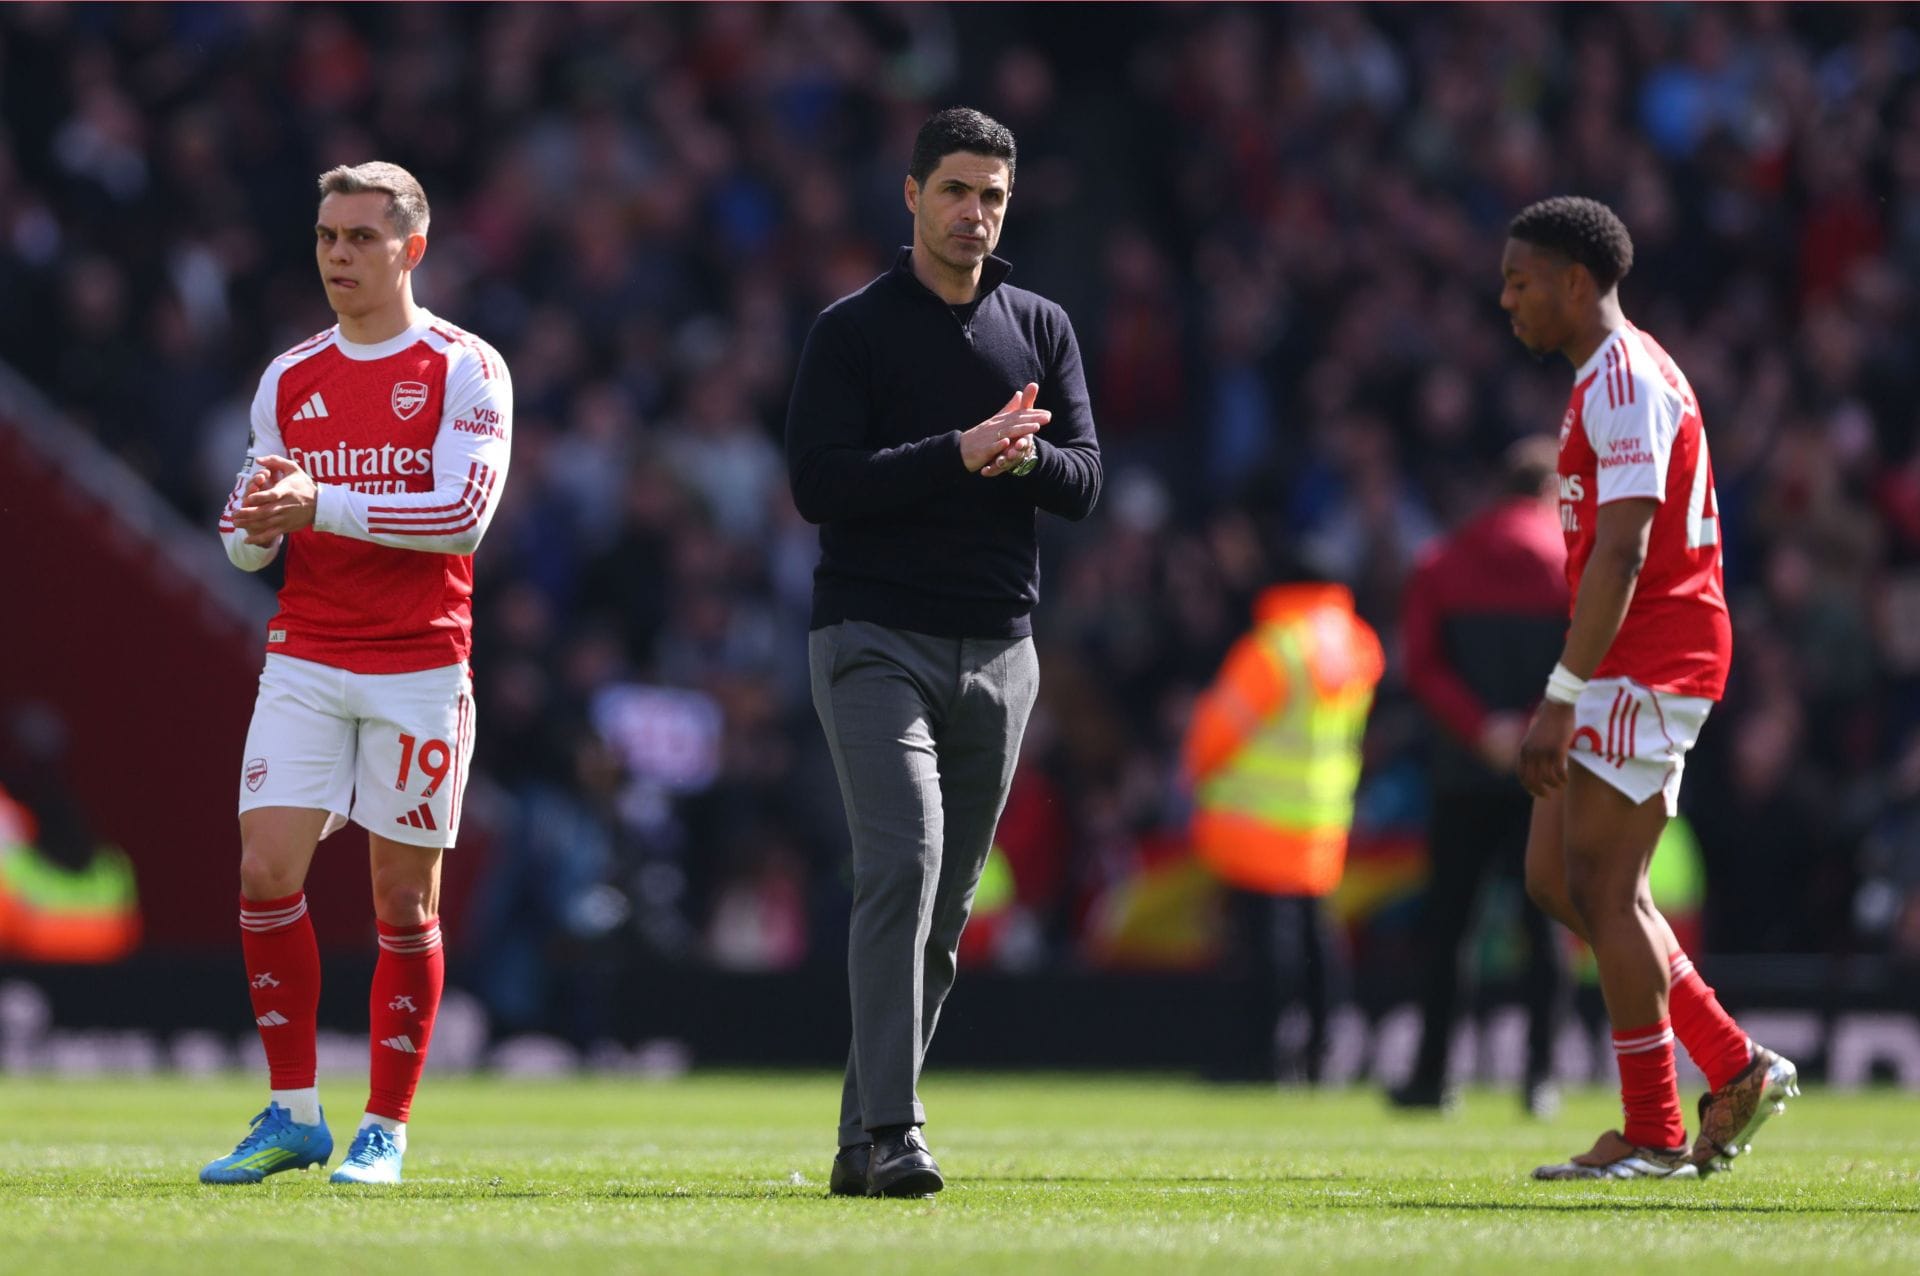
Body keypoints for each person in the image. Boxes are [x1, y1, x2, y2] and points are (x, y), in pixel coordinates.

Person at [786, 107, 1101, 1198]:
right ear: (913, 193)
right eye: (957, 190)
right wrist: (958, 454)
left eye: (994, 197)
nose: (976, 213)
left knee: (948, 911)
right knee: (904, 867)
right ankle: (900, 1128)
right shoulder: (854, 329)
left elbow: (1086, 480)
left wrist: (1022, 464)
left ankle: (857, 1143)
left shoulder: (1041, 326)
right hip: (873, 636)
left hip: (1001, 649)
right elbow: (819, 484)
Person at [200, 162, 512, 1186]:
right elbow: (255, 528)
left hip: (421, 662)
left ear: (411, 248)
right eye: (328, 237)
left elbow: (460, 517)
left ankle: (386, 1125)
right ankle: (294, 1110)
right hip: (307, 651)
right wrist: (250, 527)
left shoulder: (465, 367)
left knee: (402, 898)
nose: (339, 255)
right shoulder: (290, 377)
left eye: (361, 238)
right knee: (264, 870)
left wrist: (316, 504)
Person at [1500, 196, 1796, 1181]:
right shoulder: (1606, 375)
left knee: (1606, 888)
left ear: (1578, 283)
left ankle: (1657, 1128)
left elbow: (1624, 551)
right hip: (1626, 649)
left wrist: (1560, 689)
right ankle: (1733, 1062)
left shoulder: (1625, 377)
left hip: (1652, 648)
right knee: (1556, 878)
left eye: (1521, 280)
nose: (1507, 300)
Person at [1389, 438, 1571, 1118]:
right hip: (1544, 772)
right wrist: (1531, 725)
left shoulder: (1441, 562)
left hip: (1462, 772)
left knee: (1450, 929)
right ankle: (1541, 1078)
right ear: (1553, 491)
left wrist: (1479, 729)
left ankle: (1432, 1077)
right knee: (1544, 925)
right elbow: (1591, 652)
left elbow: (1424, 666)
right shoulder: (1571, 562)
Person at [1183, 574, 1383, 1086]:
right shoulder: (1357, 643)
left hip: (1258, 820)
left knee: (1264, 950)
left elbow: (1215, 735)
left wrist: (1195, 775)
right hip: (1322, 816)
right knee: (1318, 939)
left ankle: (1262, 1057)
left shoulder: (1276, 648)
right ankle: (1321, 1052)